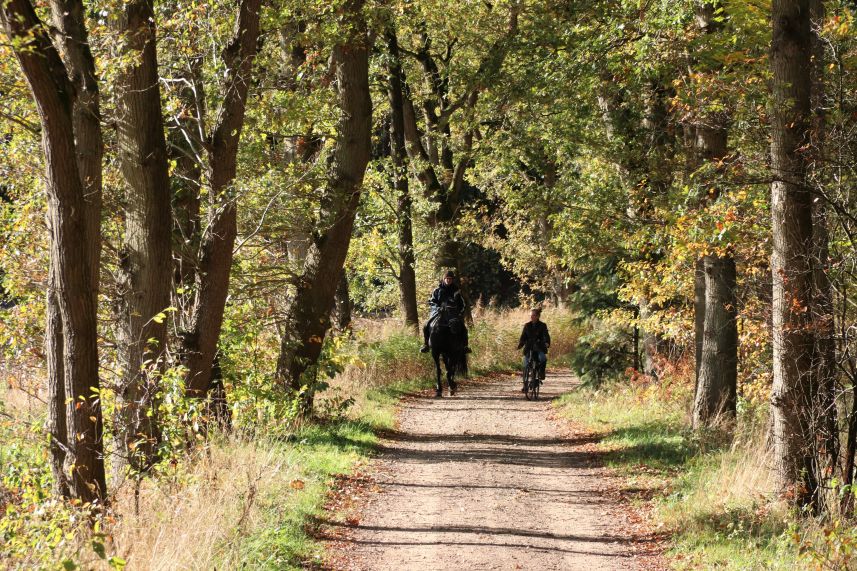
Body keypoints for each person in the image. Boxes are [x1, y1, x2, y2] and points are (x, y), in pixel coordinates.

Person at [420, 270, 470, 353]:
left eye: (450, 278)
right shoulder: (437, 290)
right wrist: (437, 308)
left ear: (452, 280)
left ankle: (465, 346)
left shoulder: (457, 291)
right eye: (447, 278)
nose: (448, 280)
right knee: (426, 325)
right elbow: (431, 301)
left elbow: (462, 304)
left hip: (453, 314)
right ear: (444, 279)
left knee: (464, 328)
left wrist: (459, 313)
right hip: (438, 313)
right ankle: (426, 345)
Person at [517, 308, 550, 392]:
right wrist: (520, 345)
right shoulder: (527, 325)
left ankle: (541, 373)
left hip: (539, 347)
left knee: (543, 359)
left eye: (534, 315)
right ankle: (525, 385)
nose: (532, 317)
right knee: (525, 365)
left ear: (538, 316)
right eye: (531, 315)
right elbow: (523, 337)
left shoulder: (542, 325)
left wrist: (546, 342)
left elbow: (546, 335)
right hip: (529, 348)